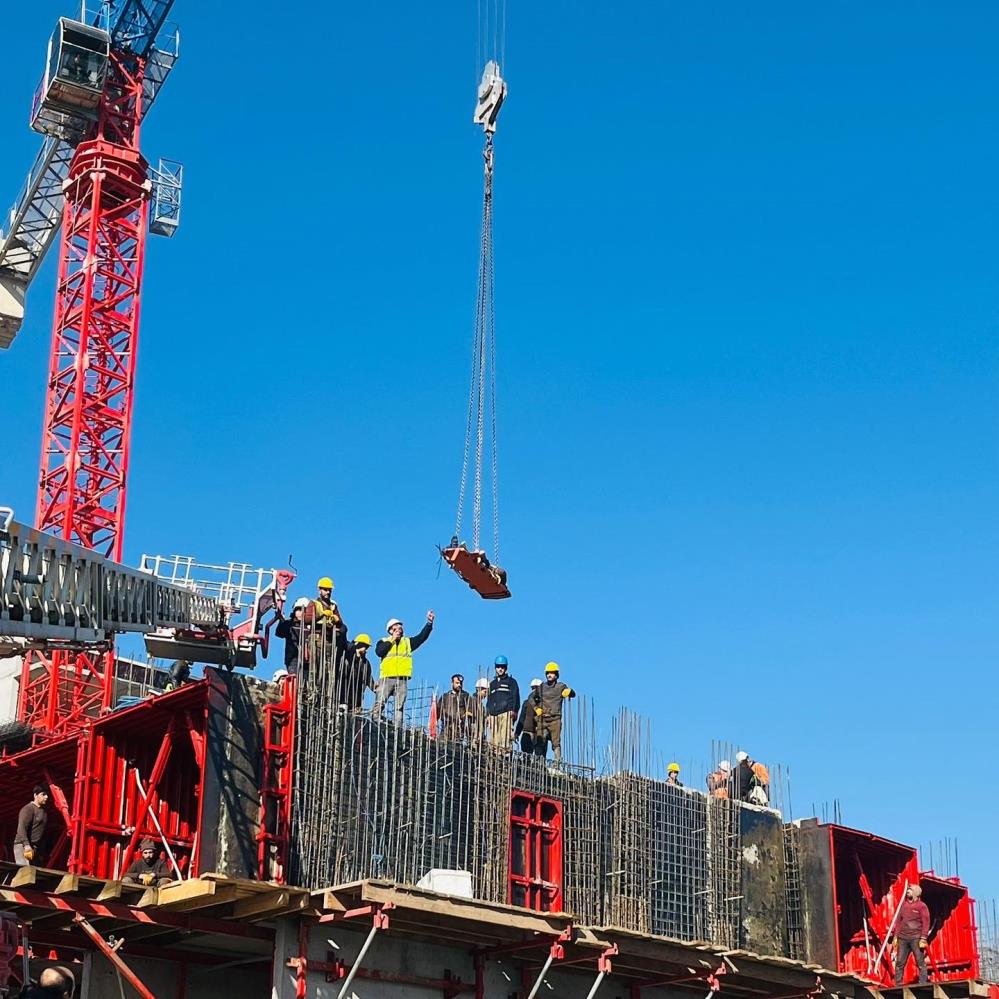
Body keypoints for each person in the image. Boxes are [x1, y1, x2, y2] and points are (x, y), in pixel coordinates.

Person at [373, 612, 434, 724]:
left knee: (399, 706)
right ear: (390, 630)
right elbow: (379, 652)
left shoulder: (407, 642)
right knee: (380, 701)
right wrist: (392, 640)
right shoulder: (383, 641)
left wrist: (429, 624)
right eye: (396, 628)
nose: (400, 630)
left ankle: (397, 727)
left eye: (401, 628)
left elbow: (421, 638)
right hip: (387, 677)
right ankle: (376, 720)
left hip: (402, 679)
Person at [529, 663, 575, 762]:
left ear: (556, 675)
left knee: (556, 743)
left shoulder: (561, 686)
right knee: (540, 741)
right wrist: (536, 708)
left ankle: (557, 764)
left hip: (555, 719)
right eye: (548, 673)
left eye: (552, 673)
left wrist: (569, 692)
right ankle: (538, 763)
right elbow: (531, 698)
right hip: (543, 719)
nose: (549, 675)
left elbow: (573, 694)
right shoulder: (542, 687)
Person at [894, 884, 930, 985]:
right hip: (903, 938)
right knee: (899, 962)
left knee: (920, 961)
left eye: (910, 890)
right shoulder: (903, 905)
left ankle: (923, 982)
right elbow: (898, 921)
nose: (908, 891)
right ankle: (898, 983)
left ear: (916, 893)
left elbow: (926, 922)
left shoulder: (921, 906)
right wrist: (896, 936)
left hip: (916, 938)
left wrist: (923, 938)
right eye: (908, 890)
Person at [485, 656, 520, 750]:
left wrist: (514, 711)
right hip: (493, 716)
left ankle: (505, 761)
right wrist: (487, 714)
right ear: (495, 668)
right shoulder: (492, 684)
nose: (500, 669)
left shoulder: (511, 682)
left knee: (505, 742)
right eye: (498, 667)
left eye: (502, 667)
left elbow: (515, 697)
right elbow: (489, 701)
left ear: (506, 668)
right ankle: (495, 762)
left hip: (505, 715)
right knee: (493, 743)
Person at [337, 632, 375, 711]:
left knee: (355, 720)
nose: (366, 649)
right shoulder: (346, 657)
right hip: (343, 696)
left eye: (366, 647)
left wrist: (375, 688)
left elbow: (368, 678)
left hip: (357, 699)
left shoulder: (365, 663)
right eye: (365, 646)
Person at [14, 785, 49, 866]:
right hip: (23, 846)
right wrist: (26, 845)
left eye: (47, 795)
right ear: (35, 795)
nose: (46, 797)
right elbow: (21, 828)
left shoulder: (44, 812)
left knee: (33, 875)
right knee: (24, 873)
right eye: (43, 794)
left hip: (35, 849)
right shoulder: (28, 809)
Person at [437, 674, 477, 742]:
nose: (459, 685)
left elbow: (471, 711)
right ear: (452, 683)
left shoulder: (465, 696)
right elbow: (437, 712)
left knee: (457, 748)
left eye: (461, 683)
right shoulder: (445, 696)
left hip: (459, 729)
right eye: (457, 683)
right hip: (446, 728)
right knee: (442, 747)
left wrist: (464, 717)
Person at [275, 597, 309, 674]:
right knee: (295, 680)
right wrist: (281, 622)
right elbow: (279, 633)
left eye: (305, 610)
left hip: (309, 661)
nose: (302, 613)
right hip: (293, 659)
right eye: (299, 610)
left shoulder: (312, 627)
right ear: (294, 611)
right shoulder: (289, 624)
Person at [514, 678, 543, 753]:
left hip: (538, 733)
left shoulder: (543, 704)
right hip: (526, 732)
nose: (535, 690)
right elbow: (522, 718)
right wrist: (517, 733)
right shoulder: (526, 703)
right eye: (533, 688)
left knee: (538, 757)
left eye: (537, 688)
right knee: (527, 755)